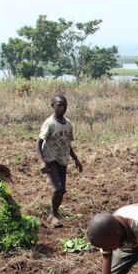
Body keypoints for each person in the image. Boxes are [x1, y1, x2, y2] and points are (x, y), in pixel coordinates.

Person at [36, 94, 84, 228]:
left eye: (65, 106)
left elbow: (67, 144)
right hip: (51, 159)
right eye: (59, 106)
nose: (62, 108)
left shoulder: (68, 124)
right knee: (58, 189)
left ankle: (54, 212)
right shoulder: (50, 123)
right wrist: (42, 162)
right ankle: (53, 215)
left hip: (63, 160)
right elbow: (39, 143)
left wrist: (76, 159)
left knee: (62, 190)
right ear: (53, 106)